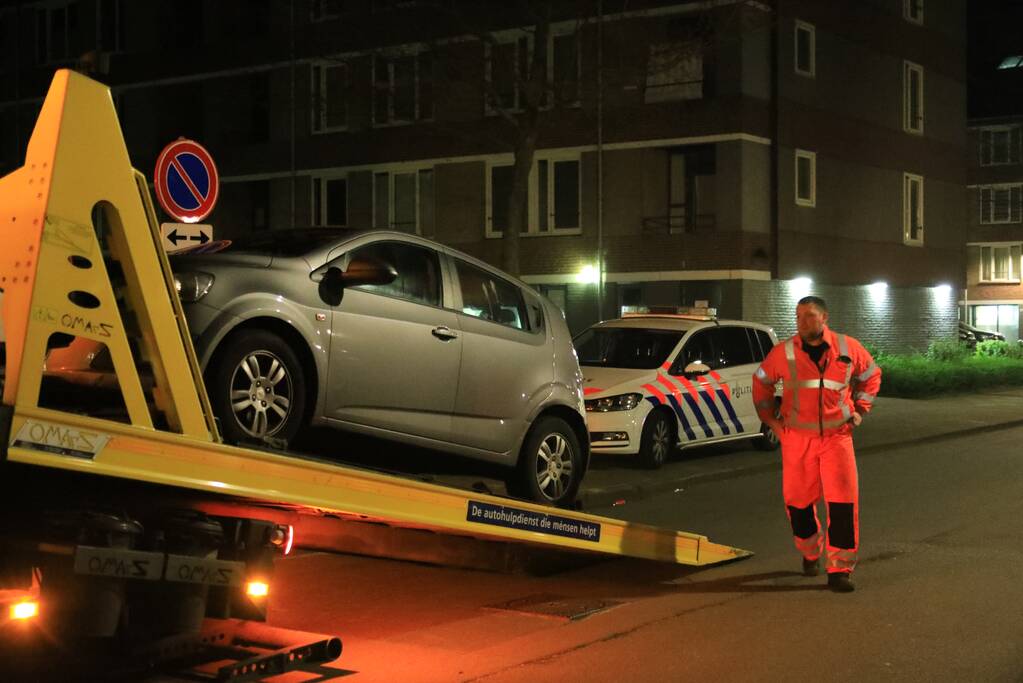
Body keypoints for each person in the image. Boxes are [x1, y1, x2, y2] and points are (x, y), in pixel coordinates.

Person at [751, 295, 881, 593]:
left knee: (843, 505)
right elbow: (761, 382)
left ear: (825, 318)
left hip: (837, 439)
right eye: (798, 317)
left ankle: (840, 569)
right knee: (797, 504)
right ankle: (810, 553)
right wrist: (771, 422)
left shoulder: (848, 348)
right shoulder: (783, 353)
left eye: (808, 316)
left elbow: (872, 377)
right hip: (797, 440)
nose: (802, 322)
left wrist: (860, 411)